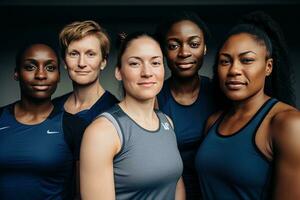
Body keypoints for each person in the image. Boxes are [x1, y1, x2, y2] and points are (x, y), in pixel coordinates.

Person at [195, 11, 300, 199]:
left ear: (268, 67)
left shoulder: (288, 124)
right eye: (225, 61)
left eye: (247, 60)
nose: (234, 70)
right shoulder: (213, 121)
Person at [80, 32, 185, 200]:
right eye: (135, 63)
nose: (147, 72)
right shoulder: (102, 132)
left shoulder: (167, 122)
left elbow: (177, 187)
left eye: (156, 63)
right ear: (119, 72)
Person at [0, 43, 87, 199]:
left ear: (59, 76)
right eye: (30, 67)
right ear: (16, 74)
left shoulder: (74, 127)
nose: (41, 75)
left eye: (50, 68)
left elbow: (81, 195)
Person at [155, 11, 217, 199]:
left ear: (205, 48)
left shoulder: (221, 93)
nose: (184, 52)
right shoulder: (153, 97)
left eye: (194, 44)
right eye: (174, 45)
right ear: (164, 51)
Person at [53, 20, 119, 124]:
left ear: (103, 62)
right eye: (74, 54)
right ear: (64, 61)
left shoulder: (115, 112)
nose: (81, 63)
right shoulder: (53, 107)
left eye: (90, 54)